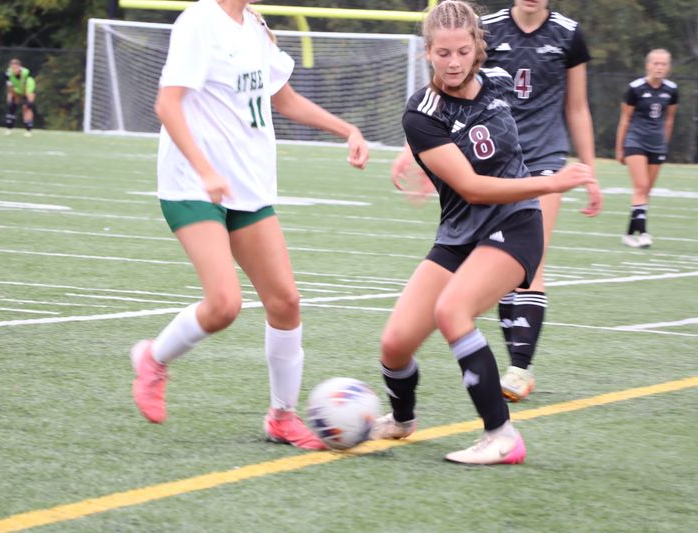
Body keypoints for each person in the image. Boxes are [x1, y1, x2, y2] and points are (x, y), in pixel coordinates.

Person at [130, 0, 369, 451]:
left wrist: (347, 129)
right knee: (223, 304)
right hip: (192, 186)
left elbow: (284, 98)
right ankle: (153, 359)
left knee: (285, 302)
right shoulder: (200, 21)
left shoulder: (254, 28)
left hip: (248, 187)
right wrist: (204, 169)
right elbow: (168, 103)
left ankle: (282, 416)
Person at [370, 0, 596, 465]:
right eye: (443, 53)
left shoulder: (496, 81)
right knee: (394, 345)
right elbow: (471, 189)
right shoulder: (422, 114)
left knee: (453, 311)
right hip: (460, 231)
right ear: (427, 53)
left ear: (477, 48)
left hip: (516, 223)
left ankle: (501, 435)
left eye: (462, 51)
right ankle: (402, 420)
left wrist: (559, 174)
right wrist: (554, 181)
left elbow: (553, 106)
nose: (453, 63)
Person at [615, 49, 678, 249]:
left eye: (663, 64)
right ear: (648, 65)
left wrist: (664, 144)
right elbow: (624, 120)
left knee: (646, 191)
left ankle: (628, 234)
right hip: (636, 142)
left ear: (668, 67)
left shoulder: (672, 90)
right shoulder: (635, 89)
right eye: (656, 63)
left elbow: (669, 119)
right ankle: (642, 233)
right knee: (641, 186)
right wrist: (620, 148)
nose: (659, 67)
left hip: (657, 144)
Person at [4, 58, 36, 137]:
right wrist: (13, 96)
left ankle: (28, 129)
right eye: (12, 68)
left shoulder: (25, 73)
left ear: (19, 67)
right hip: (17, 88)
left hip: (27, 87)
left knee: (27, 106)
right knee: (11, 105)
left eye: (16, 68)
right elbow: (10, 87)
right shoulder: (8, 73)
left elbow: (25, 86)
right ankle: (9, 128)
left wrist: (25, 98)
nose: (14, 70)